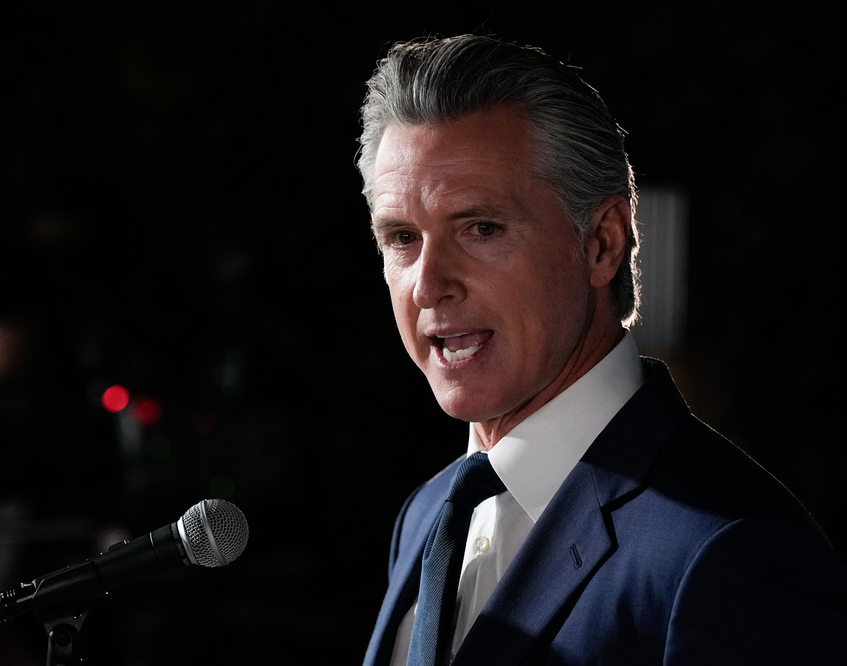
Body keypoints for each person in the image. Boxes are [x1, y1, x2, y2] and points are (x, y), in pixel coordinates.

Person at [356, 34, 847, 665]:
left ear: (602, 244)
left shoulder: (734, 555)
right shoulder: (425, 517)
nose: (427, 286)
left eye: (481, 228)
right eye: (402, 238)